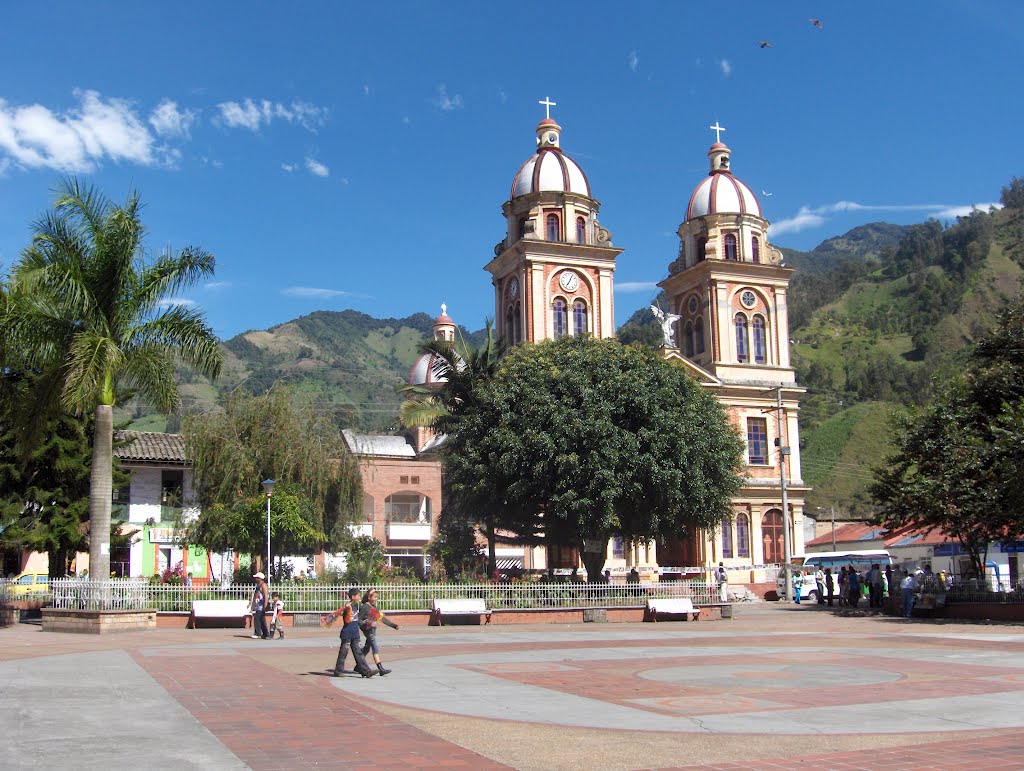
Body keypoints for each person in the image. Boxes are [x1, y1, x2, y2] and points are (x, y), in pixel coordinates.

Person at [327, 588, 375, 677]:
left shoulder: (357, 606)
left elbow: (365, 604)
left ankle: (366, 671)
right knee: (343, 652)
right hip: (347, 634)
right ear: (353, 597)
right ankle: (338, 670)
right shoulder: (347, 607)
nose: (359, 597)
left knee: (359, 653)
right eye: (358, 596)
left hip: (355, 634)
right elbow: (346, 619)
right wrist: (347, 609)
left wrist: (370, 593)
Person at [359, 588, 400, 676]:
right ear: (369, 597)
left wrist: (394, 625)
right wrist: (365, 624)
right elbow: (359, 620)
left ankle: (358, 665)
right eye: (374, 597)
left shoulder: (375, 607)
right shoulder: (364, 607)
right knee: (375, 647)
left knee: (366, 648)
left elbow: (382, 618)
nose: (376, 599)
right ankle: (381, 669)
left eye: (377, 597)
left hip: (373, 630)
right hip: (368, 630)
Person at [251, 572, 270, 639]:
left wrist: (265, 605)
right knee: (261, 620)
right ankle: (266, 634)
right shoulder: (258, 586)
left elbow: (266, 596)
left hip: (261, 606)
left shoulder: (263, 585)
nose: (255, 579)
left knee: (257, 619)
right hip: (257, 605)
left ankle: (258, 633)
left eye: (256, 578)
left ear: (260, 578)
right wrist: (252, 604)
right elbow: (255, 596)